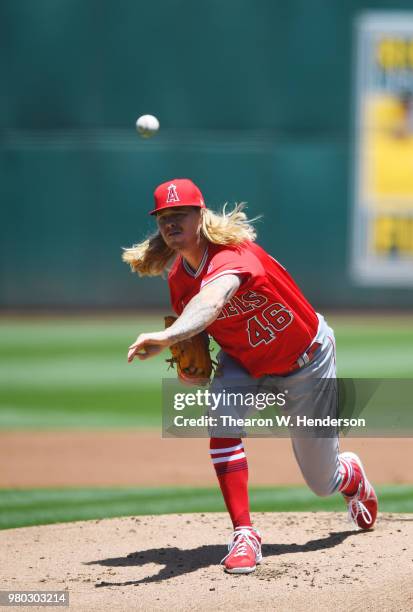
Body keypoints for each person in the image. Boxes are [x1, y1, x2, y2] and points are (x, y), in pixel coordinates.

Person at [123, 178, 378, 574]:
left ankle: (351, 475)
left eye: (181, 215)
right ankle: (245, 534)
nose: (171, 224)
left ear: (201, 216)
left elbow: (212, 300)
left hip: (306, 360)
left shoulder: (233, 254)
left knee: (321, 481)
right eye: (164, 218)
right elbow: (201, 328)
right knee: (220, 421)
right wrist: (191, 359)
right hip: (244, 362)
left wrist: (170, 335)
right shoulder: (177, 280)